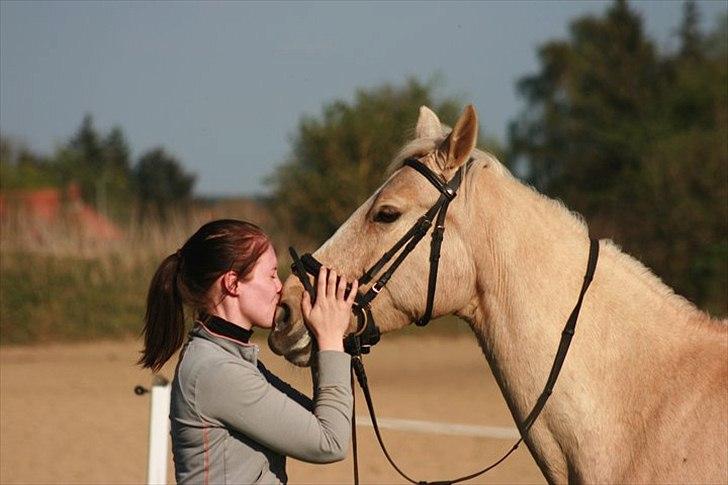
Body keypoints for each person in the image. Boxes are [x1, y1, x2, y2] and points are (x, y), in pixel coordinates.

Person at [138, 219, 358, 484]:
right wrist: (331, 338)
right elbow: (330, 441)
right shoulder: (216, 372)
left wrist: (318, 337)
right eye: (271, 274)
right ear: (232, 283)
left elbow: (322, 419)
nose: (280, 286)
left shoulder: (226, 357)